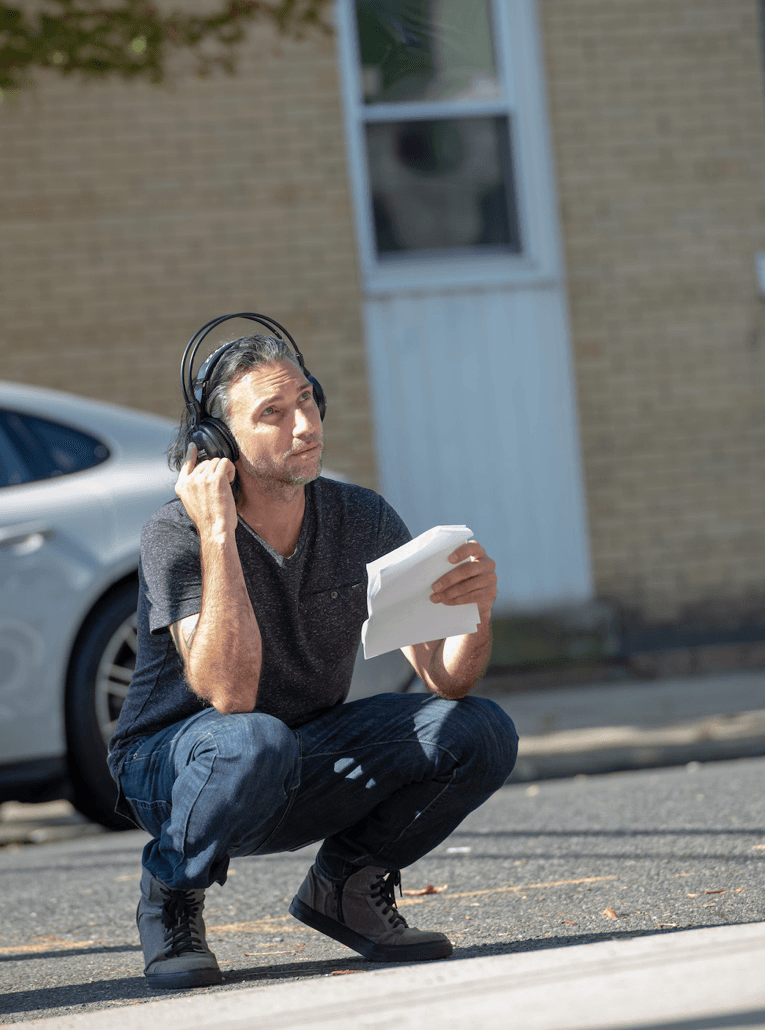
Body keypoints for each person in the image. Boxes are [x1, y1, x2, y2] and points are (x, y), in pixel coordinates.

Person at [108, 331, 518, 991]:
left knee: (478, 728)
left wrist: (475, 611)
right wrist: (218, 534)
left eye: (308, 400)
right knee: (250, 739)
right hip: (175, 769)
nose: (305, 425)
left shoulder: (360, 516)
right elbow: (228, 692)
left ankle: (346, 889)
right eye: (273, 413)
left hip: (295, 756)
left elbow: (447, 680)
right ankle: (172, 892)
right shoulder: (177, 531)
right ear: (215, 443)